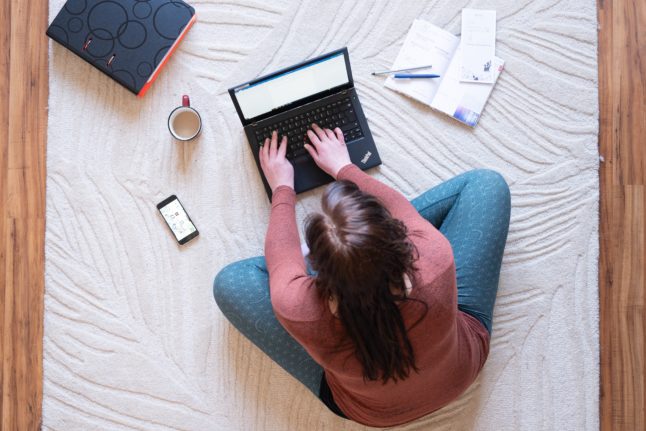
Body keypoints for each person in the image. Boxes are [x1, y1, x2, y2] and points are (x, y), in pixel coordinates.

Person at [213, 124, 511, 427]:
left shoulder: (300, 308)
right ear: (398, 237)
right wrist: (344, 166)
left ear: (314, 265)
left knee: (229, 282)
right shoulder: (433, 256)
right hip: (459, 372)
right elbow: (399, 207)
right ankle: (357, 253)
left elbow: (282, 260)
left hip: (370, 411)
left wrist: (282, 188)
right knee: (487, 184)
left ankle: (349, 262)